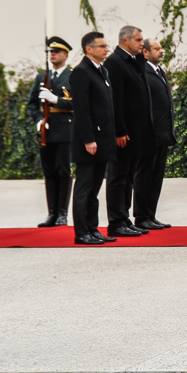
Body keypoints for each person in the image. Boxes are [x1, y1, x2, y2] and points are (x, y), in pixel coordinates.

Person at [105, 25, 156, 237]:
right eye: (138, 40)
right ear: (125, 41)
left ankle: (125, 219)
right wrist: (119, 130)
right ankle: (116, 222)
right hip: (124, 134)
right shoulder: (115, 62)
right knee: (118, 178)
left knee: (129, 178)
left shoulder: (135, 61)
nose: (142, 43)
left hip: (137, 133)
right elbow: (115, 99)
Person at [69, 32, 118, 245]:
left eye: (107, 46)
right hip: (89, 142)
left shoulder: (102, 71)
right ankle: (81, 233)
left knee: (95, 188)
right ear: (89, 49)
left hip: (103, 140)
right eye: (102, 46)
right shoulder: (81, 72)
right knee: (84, 188)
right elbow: (82, 109)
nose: (107, 49)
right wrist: (89, 139)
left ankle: (93, 228)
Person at [26, 36, 74, 227]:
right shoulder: (42, 77)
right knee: (49, 172)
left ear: (65, 55)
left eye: (56, 52)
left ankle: (62, 213)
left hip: (64, 130)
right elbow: (31, 104)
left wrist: (56, 100)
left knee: (63, 171)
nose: (52, 55)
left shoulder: (72, 76)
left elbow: (78, 104)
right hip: (45, 131)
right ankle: (51, 213)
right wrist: (38, 120)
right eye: (50, 52)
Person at [133, 38, 176, 229]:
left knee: (156, 177)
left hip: (162, 135)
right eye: (157, 48)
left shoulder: (159, 72)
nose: (161, 51)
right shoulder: (143, 72)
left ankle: (151, 215)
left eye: (161, 48)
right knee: (144, 177)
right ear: (145, 53)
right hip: (149, 135)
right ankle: (141, 217)